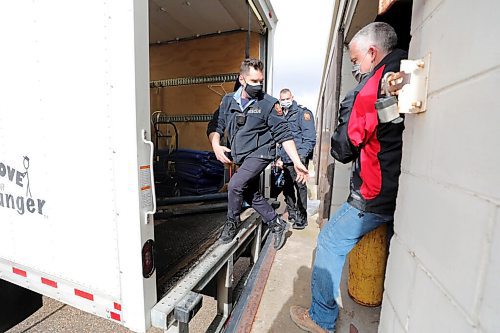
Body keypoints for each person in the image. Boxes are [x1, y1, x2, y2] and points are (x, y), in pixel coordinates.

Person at [289, 22, 407, 332]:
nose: (354, 66)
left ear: (372, 52)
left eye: (355, 60)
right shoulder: (401, 69)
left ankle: (321, 318)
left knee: (328, 241)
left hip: (374, 190)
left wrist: (344, 119)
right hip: (397, 184)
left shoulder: (371, 88)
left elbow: (343, 149)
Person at [207, 58, 308, 250]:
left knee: (235, 185)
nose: (258, 85)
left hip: (261, 153)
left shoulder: (268, 103)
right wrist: (216, 144)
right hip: (241, 155)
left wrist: (296, 161)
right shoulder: (228, 101)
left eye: (260, 81)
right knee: (250, 192)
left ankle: (231, 222)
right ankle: (276, 223)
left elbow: (284, 135)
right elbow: (217, 125)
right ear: (242, 79)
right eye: (254, 81)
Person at [276, 89, 316, 229]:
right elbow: (279, 138)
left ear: (292, 97)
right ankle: (292, 213)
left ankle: (302, 217)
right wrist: (278, 157)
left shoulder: (302, 113)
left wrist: (300, 158)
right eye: (282, 99)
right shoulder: (280, 114)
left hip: (298, 158)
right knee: (287, 189)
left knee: (300, 188)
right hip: (285, 160)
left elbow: (309, 138)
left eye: (287, 98)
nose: (285, 101)